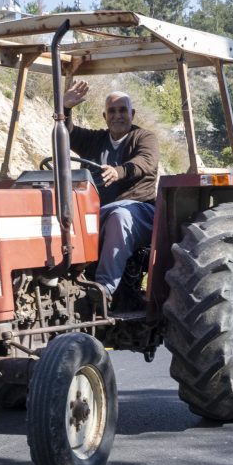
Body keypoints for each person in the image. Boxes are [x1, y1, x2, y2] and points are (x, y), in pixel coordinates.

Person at [62, 80, 158, 303]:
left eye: (123, 110)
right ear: (104, 116)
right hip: (96, 212)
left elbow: (146, 161)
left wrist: (119, 171)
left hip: (139, 213)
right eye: (112, 111)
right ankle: (61, 281)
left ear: (132, 113)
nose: (118, 115)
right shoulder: (95, 140)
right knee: (61, 214)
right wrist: (65, 108)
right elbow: (66, 132)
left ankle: (103, 289)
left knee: (119, 215)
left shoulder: (144, 138)